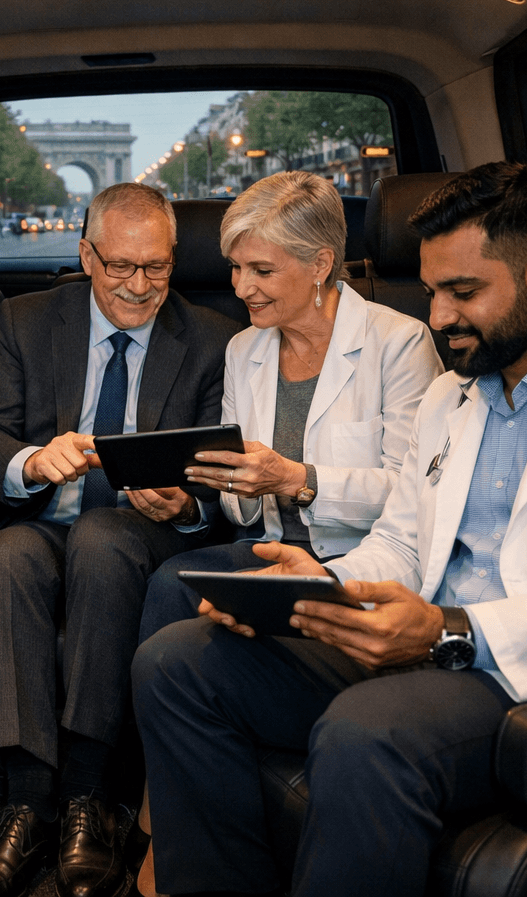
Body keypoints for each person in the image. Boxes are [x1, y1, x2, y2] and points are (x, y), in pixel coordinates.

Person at [133, 162, 527, 897]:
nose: (438, 317)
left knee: (365, 733)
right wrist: (324, 583)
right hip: (419, 637)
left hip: (524, 673)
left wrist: (452, 629)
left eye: (463, 292)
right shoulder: (454, 396)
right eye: (433, 291)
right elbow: (402, 542)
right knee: (177, 662)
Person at [127, 171, 441, 895]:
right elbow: (244, 505)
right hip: (267, 543)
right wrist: (205, 488)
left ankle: (168, 821)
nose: (240, 287)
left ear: (321, 264)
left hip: (354, 557)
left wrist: (297, 479)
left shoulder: (399, 343)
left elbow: (416, 495)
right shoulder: (246, 350)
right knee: (170, 583)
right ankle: (168, 811)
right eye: (235, 267)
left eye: (261, 270)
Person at [0, 182, 239, 897]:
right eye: (120, 267)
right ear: (86, 255)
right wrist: (29, 461)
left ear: (174, 259)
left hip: (140, 534)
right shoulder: (24, 322)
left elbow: (219, 473)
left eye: (157, 268)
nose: (139, 287)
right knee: (5, 555)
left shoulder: (211, 338)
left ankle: (86, 798)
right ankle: (26, 805)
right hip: (46, 521)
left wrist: (185, 504)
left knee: (104, 541)